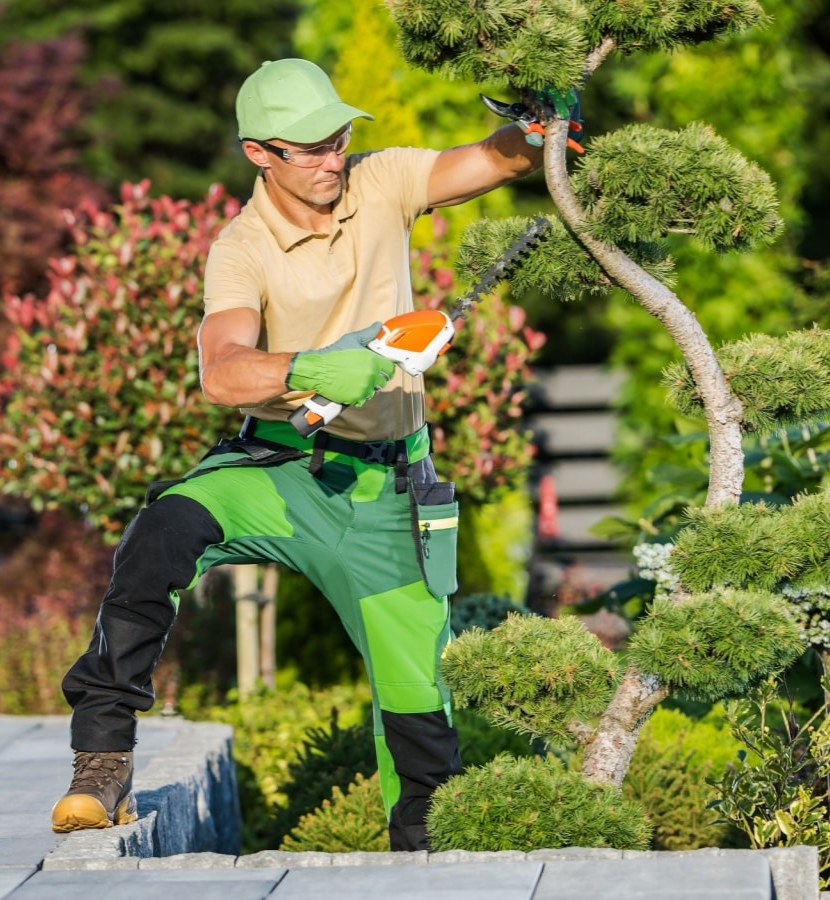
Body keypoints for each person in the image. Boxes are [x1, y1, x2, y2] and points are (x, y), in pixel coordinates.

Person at [51, 58, 546, 851]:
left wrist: (542, 121)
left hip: (388, 492)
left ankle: (425, 859)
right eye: (309, 148)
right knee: (163, 531)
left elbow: (493, 159)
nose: (331, 159)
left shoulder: (380, 182)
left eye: (339, 138)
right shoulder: (242, 248)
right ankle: (102, 757)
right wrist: (311, 370)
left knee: (420, 705)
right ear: (260, 154)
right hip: (283, 471)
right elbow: (222, 370)